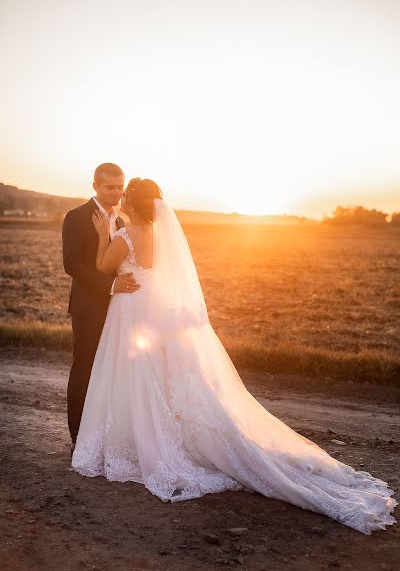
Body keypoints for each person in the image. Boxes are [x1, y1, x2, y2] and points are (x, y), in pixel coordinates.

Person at [71, 177, 397, 535]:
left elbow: (103, 267)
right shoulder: (161, 236)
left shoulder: (124, 236)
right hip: (154, 309)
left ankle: (139, 438)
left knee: (133, 374)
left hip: (133, 308)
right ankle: (152, 432)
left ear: (131, 204)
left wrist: (104, 234)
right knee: (155, 374)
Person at [62, 163, 140, 453]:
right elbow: (72, 264)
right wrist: (110, 285)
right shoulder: (76, 216)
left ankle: (102, 434)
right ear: (95, 186)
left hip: (119, 309)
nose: (117, 192)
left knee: (110, 372)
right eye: (110, 187)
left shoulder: (121, 221)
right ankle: (78, 438)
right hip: (88, 308)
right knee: (85, 369)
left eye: (120, 187)